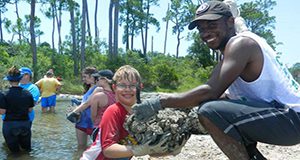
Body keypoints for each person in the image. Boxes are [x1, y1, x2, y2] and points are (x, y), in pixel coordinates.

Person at [132, 1, 300, 160]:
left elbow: (210, 91)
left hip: (292, 119)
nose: (205, 33)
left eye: (212, 25)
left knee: (209, 111)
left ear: (229, 22)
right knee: (211, 109)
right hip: (285, 117)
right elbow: (225, 97)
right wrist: (183, 108)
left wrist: (159, 102)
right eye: (201, 29)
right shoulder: (237, 46)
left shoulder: (240, 44)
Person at [80, 65, 170, 160]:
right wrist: (138, 150)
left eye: (132, 85)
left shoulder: (141, 115)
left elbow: (149, 149)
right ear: (114, 87)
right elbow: (108, 149)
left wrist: (167, 150)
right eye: (122, 85)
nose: (127, 89)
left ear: (140, 87)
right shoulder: (113, 111)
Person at [0, 66, 34, 153]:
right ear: (20, 79)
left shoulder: (3, 93)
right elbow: (30, 110)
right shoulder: (27, 93)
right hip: (25, 124)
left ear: (9, 80)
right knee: (27, 151)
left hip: (10, 125)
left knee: (14, 153)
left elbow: (2, 111)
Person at [74, 66, 98, 150]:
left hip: (93, 123)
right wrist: (78, 103)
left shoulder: (98, 88)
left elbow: (87, 103)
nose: (83, 79)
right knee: (80, 147)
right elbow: (85, 102)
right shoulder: (89, 88)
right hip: (81, 122)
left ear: (92, 76)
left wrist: (73, 112)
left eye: (85, 77)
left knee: (95, 148)